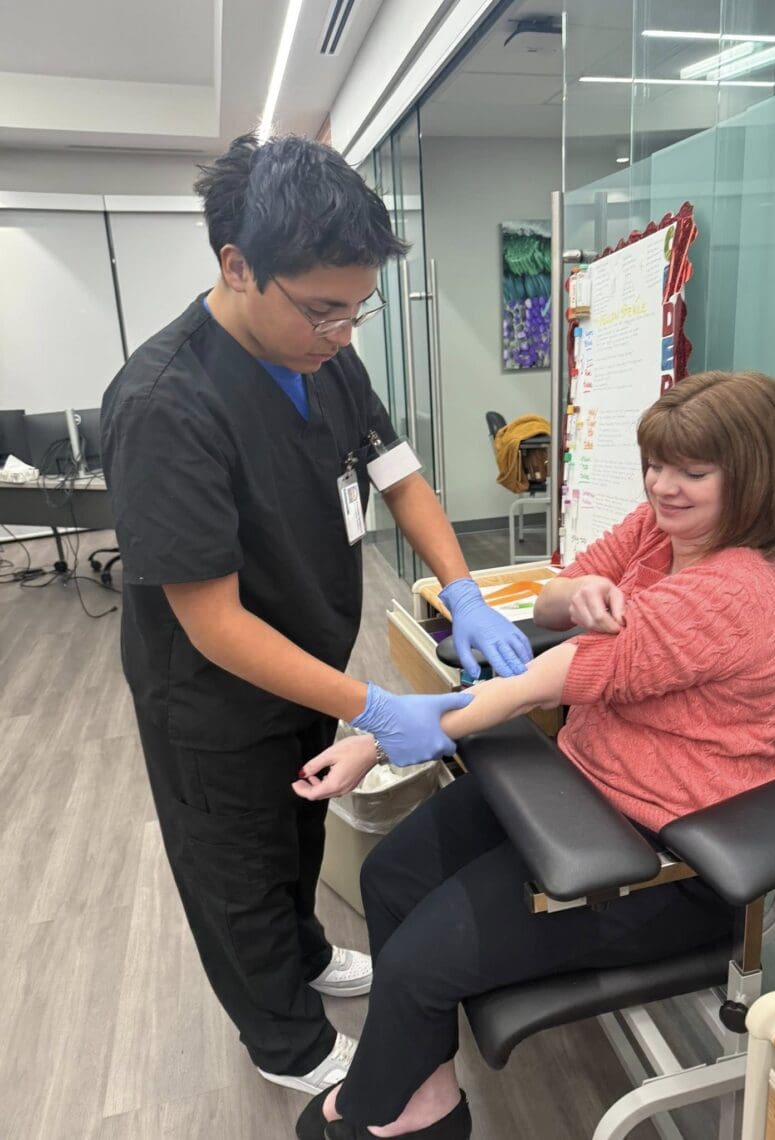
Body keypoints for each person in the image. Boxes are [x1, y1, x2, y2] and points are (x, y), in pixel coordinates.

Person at [100, 133, 532, 1097]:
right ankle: (284, 1041)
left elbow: (399, 474)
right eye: (322, 309)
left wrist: (461, 590)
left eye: (356, 309)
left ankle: (303, 957)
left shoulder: (325, 359)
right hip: (211, 696)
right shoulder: (167, 403)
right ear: (236, 265)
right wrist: (379, 708)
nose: (341, 332)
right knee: (237, 866)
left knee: (297, 836)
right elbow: (212, 624)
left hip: (304, 659)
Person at [290, 370, 775, 1140]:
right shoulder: (662, 530)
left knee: (417, 965)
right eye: (656, 464)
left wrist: (377, 734)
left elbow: (553, 677)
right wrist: (583, 595)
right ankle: (428, 1090)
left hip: (663, 857)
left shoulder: (735, 592)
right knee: (388, 876)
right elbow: (552, 595)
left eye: (691, 473)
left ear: (755, 479)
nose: (663, 487)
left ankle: (381, 1107)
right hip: (578, 789)